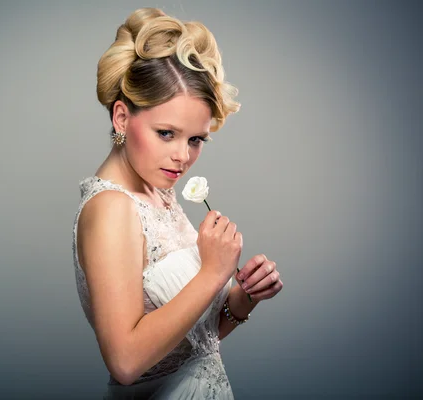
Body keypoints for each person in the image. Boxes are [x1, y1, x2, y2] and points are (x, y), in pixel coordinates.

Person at [72, 8, 283, 399]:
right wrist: (212, 274)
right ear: (121, 117)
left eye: (195, 140)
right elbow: (126, 362)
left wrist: (240, 299)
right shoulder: (111, 210)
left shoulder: (158, 190)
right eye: (166, 133)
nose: (182, 157)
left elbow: (192, 343)